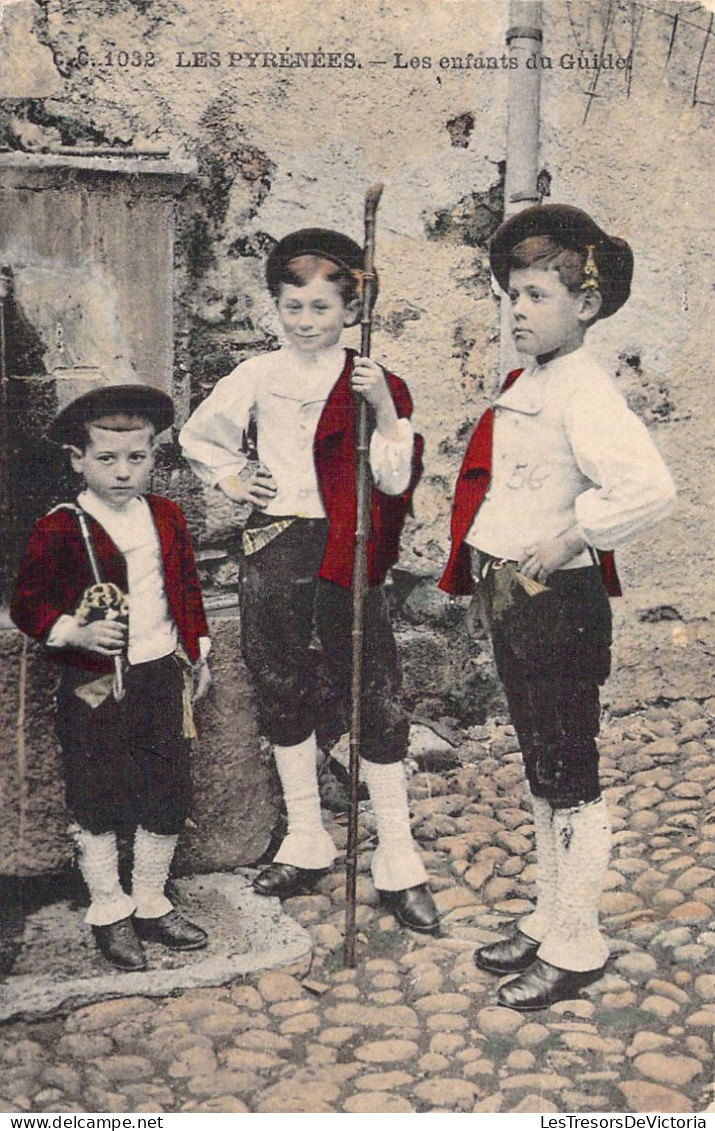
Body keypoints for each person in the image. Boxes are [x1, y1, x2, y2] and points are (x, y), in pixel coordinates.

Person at [439, 204, 676, 1010]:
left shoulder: (587, 390)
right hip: (516, 600)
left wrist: (575, 535)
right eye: (512, 294)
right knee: (543, 770)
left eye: (537, 294)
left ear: (587, 304)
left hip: (559, 606)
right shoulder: (531, 382)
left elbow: (649, 487)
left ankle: (578, 943)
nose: (518, 310)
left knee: (571, 774)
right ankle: (549, 916)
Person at [179, 227, 439, 934]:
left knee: (373, 688)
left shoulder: (369, 376)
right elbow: (200, 436)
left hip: (350, 543)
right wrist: (237, 475)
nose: (305, 321)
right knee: (281, 683)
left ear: (351, 310)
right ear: (275, 307)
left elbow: (391, 475)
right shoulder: (259, 376)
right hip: (278, 541)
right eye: (292, 306)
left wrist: (383, 406)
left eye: (321, 308)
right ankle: (306, 838)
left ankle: (397, 856)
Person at [11, 385, 212, 971]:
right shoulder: (61, 527)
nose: (123, 473)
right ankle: (108, 907)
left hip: (160, 673)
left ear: (154, 456)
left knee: (168, 785)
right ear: (78, 460)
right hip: (93, 684)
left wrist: (197, 648)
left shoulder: (167, 517)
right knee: (96, 790)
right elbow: (28, 604)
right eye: (107, 459)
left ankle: (151, 899)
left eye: (138, 458)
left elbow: (186, 589)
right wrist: (72, 631)